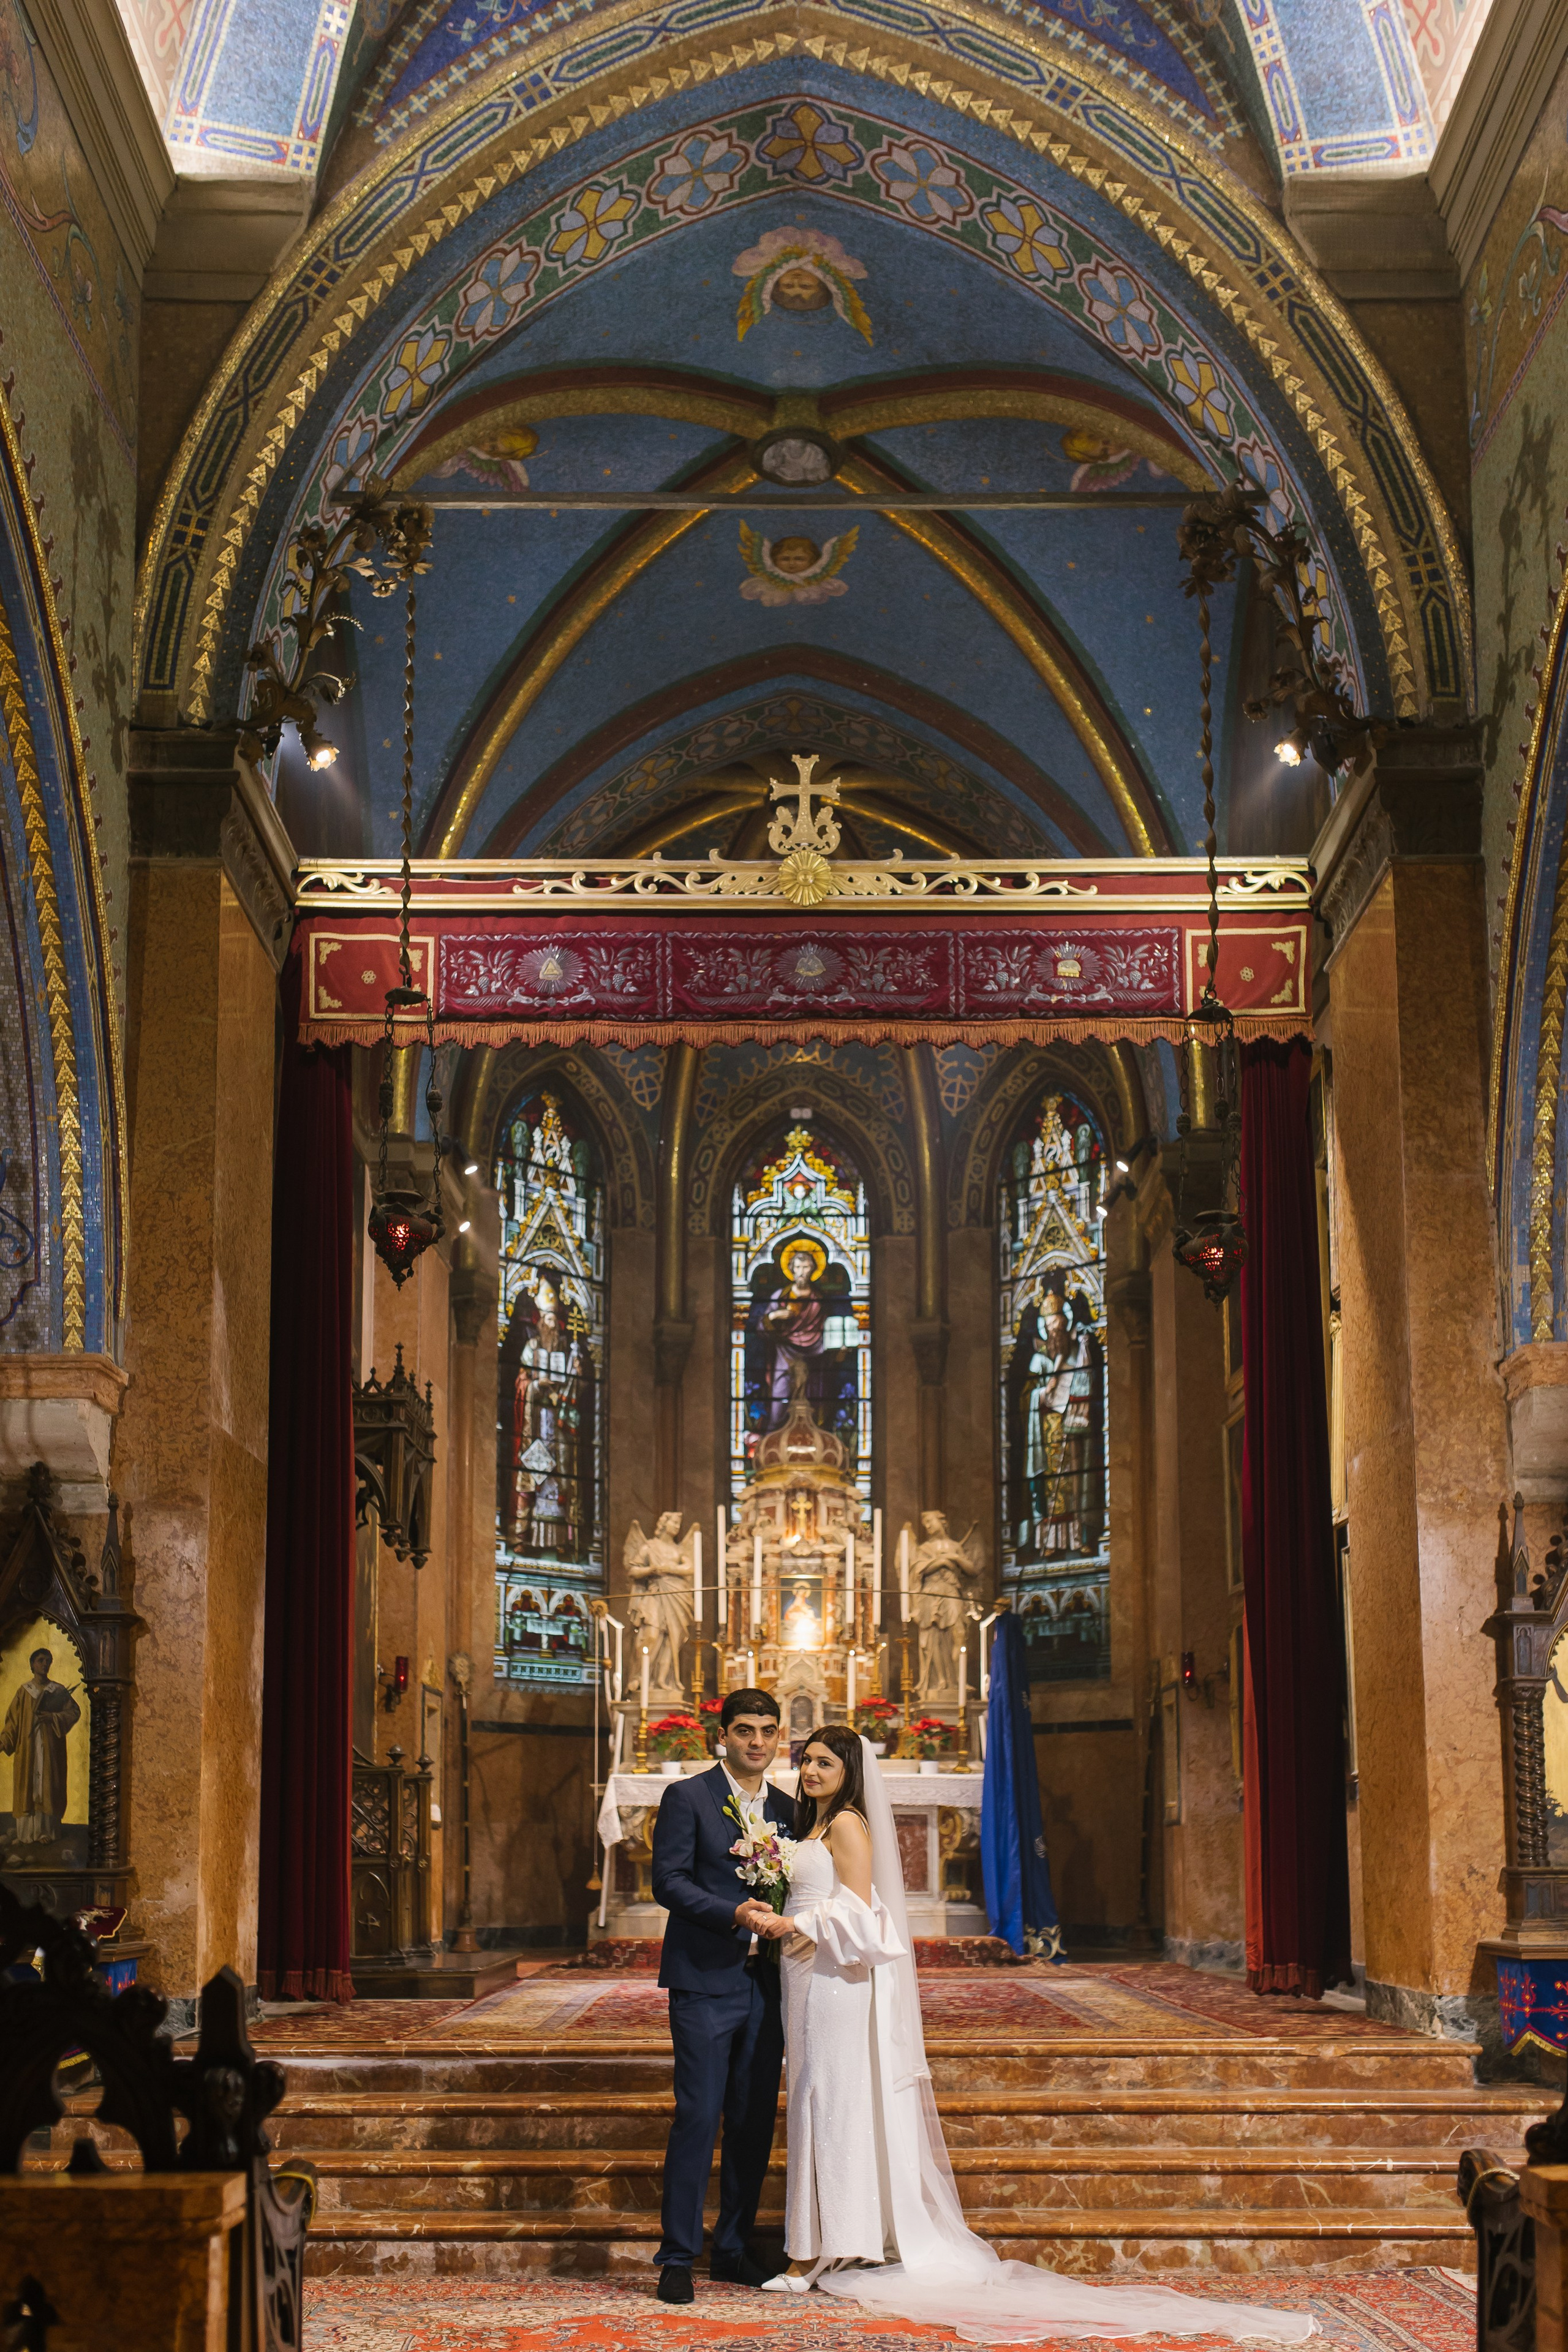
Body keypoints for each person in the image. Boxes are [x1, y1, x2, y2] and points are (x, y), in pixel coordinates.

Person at [763, 1727, 1317, 2345]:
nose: (811, 1772)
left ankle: (815, 2252)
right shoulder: (812, 1823)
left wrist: (794, 1923)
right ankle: (830, 2239)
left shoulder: (846, 1824)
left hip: (833, 1980)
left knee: (830, 2103)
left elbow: (861, 1913)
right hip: (804, 1973)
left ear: (850, 1770)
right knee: (816, 2100)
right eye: (807, 1761)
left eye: (825, 1763)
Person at [649, 1687, 794, 2305]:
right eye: (745, 1730)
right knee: (698, 2116)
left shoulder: (790, 1809)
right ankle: (678, 2257)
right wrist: (732, 1913)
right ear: (724, 1735)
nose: (757, 1742)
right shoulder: (688, 1797)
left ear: (779, 1736)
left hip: (769, 1985)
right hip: (706, 1979)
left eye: (767, 1731)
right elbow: (668, 1882)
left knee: (753, 2121)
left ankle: (731, 2249)